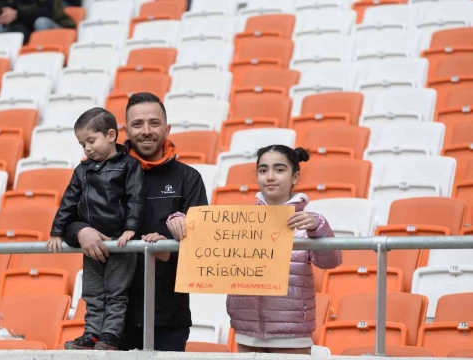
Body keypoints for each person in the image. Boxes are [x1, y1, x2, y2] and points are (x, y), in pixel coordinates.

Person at [63, 92, 208, 352]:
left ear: (167, 127)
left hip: (167, 315)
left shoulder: (188, 178)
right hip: (112, 324)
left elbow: (202, 246)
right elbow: (66, 217)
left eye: (154, 123)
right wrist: (80, 230)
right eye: (137, 124)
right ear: (124, 131)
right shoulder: (92, 170)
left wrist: (168, 252)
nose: (146, 131)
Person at [226, 145, 342, 355]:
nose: (270, 177)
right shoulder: (240, 223)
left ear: (295, 176)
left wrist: (319, 226)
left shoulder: (308, 223)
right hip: (246, 331)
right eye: (263, 170)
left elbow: (330, 261)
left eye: (279, 170)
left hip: (292, 335)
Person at [48, 107, 145, 351]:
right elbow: (68, 202)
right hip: (91, 245)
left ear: (111, 135)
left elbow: (136, 198)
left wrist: (130, 228)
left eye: (91, 141)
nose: (87, 148)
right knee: (92, 292)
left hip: (119, 244)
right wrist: (57, 232)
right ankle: (92, 334)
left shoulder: (129, 166)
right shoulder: (82, 170)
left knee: (116, 293)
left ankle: (110, 336)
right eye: (82, 144)